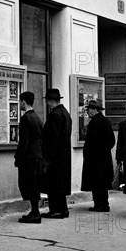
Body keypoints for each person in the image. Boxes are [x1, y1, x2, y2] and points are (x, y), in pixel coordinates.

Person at [40, 88, 72, 219]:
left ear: (51, 101)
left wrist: (47, 158)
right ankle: (63, 209)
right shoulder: (65, 113)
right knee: (60, 185)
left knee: (53, 185)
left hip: (55, 157)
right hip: (63, 156)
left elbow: (52, 139)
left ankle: (56, 210)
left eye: (48, 101)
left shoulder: (55, 115)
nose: (47, 104)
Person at [81, 100, 116, 212]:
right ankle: (101, 204)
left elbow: (99, 141)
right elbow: (111, 141)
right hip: (102, 158)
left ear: (95, 110)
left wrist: (97, 152)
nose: (88, 112)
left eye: (89, 110)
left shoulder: (97, 122)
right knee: (100, 183)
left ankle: (101, 205)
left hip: (96, 159)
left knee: (98, 183)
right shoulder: (103, 121)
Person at [14, 91, 43, 224]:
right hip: (37, 155)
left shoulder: (26, 118)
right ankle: (34, 211)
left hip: (29, 157)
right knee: (35, 184)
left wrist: (18, 157)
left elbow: (24, 141)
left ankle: (35, 213)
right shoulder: (37, 117)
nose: (19, 104)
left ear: (23, 102)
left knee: (29, 184)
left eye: (20, 102)